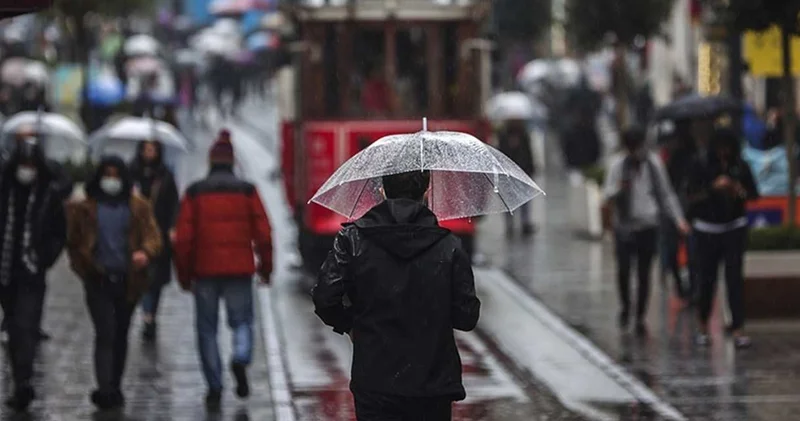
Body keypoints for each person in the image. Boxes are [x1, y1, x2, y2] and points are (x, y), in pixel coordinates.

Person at [313, 170, 481, 421]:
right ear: (426, 193)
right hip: (432, 385)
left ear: (382, 191)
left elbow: (325, 297)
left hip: (375, 382)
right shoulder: (449, 246)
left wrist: (351, 325)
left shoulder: (353, 239)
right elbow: (466, 317)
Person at [174, 130, 273, 411]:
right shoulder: (247, 191)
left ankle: (214, 385)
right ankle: (241, 356)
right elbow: (264, 234)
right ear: (232, 162)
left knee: (207, 329)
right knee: (242, 321)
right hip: (240, 269)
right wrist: (266, 268)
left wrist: (184, 275)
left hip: (204, 272)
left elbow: (183, 240)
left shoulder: (194, 193)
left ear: (210, 162)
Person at [66, 156, 162, 410]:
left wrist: (145, 253)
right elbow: (74, 242)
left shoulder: (138, 206)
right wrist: (83, 267)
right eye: (106, 174)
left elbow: (153, 237)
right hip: (97, 280)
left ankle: (115, 384)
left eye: (115, 175)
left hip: (127, 280)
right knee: (105, 332)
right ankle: (105, 388)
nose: (111, 180)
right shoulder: (87, 208)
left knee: (120, 333)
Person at [0, 137, 66, 411]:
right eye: (23, 163)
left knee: (26, 327)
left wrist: (42, 259)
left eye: (31, 164)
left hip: (31, 272)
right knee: (14, 329)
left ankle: (24, 382)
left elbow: (58, 233)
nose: (26, 169)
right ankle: (19, 378)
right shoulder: (4, 190)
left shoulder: (47, 195)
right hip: (5, 272)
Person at [603, 127, 690, 335]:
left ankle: (640, 315)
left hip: (648, 226)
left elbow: (666, 194)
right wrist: (619, 188)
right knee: (624, 271)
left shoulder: (653, 165)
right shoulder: (617, 165)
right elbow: (607, 194)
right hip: (624, 226)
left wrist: (679, 220)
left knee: (644, 273)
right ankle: (626, 307)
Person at [687, 128, 759, 348]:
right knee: (707, 280)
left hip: (734, 227)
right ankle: (702, 326)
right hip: (707, 229)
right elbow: (691, 195)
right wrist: (712, 188)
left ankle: (737, 328)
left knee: (734, 280)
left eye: (727, 149)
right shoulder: (700, 165)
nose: (723, 153)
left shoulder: (740, 167)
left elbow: (754, 194)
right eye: (720, 148)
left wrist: (738, 190)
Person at [130, 141, 179, 342]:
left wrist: (172, 227)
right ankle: (147, 315)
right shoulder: (131, 173)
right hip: (136, 234)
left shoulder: (165, 175)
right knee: (141, 276)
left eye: (153, 150)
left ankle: (150, 315)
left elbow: (174, 203)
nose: (149, 153)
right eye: (146, 149)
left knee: (155, 280)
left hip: (159, 233)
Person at [498, 119, 536, 236]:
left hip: (522, 171)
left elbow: (528, 153)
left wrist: (531, 168)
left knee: (524, 200)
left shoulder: (524, 135)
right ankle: (510, 225)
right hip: (508, 172)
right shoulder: (504, 136)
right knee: (509, 200)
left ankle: (525, 223)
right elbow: (501, 153)